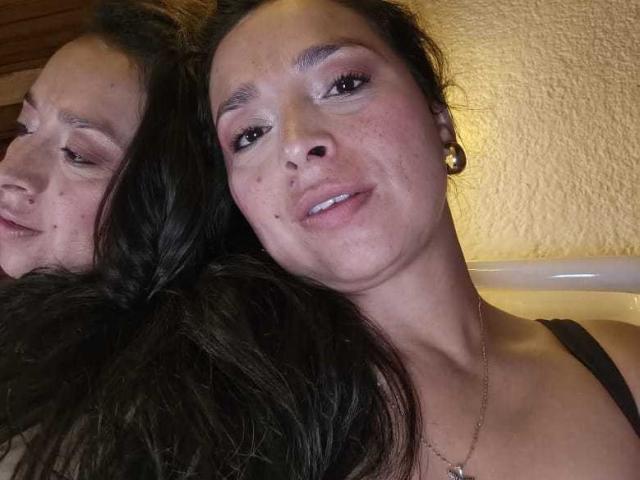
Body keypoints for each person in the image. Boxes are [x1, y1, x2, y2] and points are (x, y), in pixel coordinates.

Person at [199, 0, 640, 478]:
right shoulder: (217, 434)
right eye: (250, 133)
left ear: (440, 119)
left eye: (344, 84)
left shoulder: (625, 365)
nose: (297, 143)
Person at [1, 2, 415, 479]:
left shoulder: (158, 419)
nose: (12, 172)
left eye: (78, 154)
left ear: (172, 204)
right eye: (24, 127)